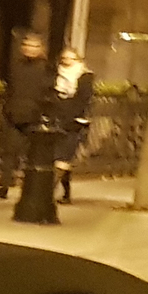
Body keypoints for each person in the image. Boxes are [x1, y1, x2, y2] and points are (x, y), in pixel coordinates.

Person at [3, 31, 62, 222]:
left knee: (34, 157)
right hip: (15, 114)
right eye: (27, 45)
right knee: (9, 150)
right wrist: (8, 109)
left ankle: (33, 188)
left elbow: (48, 92)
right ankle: (4, 184)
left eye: (34, 46)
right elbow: (11, 88)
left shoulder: (45, 69)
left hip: (33, 117)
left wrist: (42, 112)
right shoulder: (16, 66)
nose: (30, 49)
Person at [54, 46, 95, 203]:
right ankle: (66, 193)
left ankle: (50, 191)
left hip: (75, 122)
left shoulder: (85, 77)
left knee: (64, 156)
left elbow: (84, 99)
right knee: (61, 158)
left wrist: (73, 114)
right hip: (58, 119)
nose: (66, 61)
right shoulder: (56, 74)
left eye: (70, 58)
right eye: (64, 58)